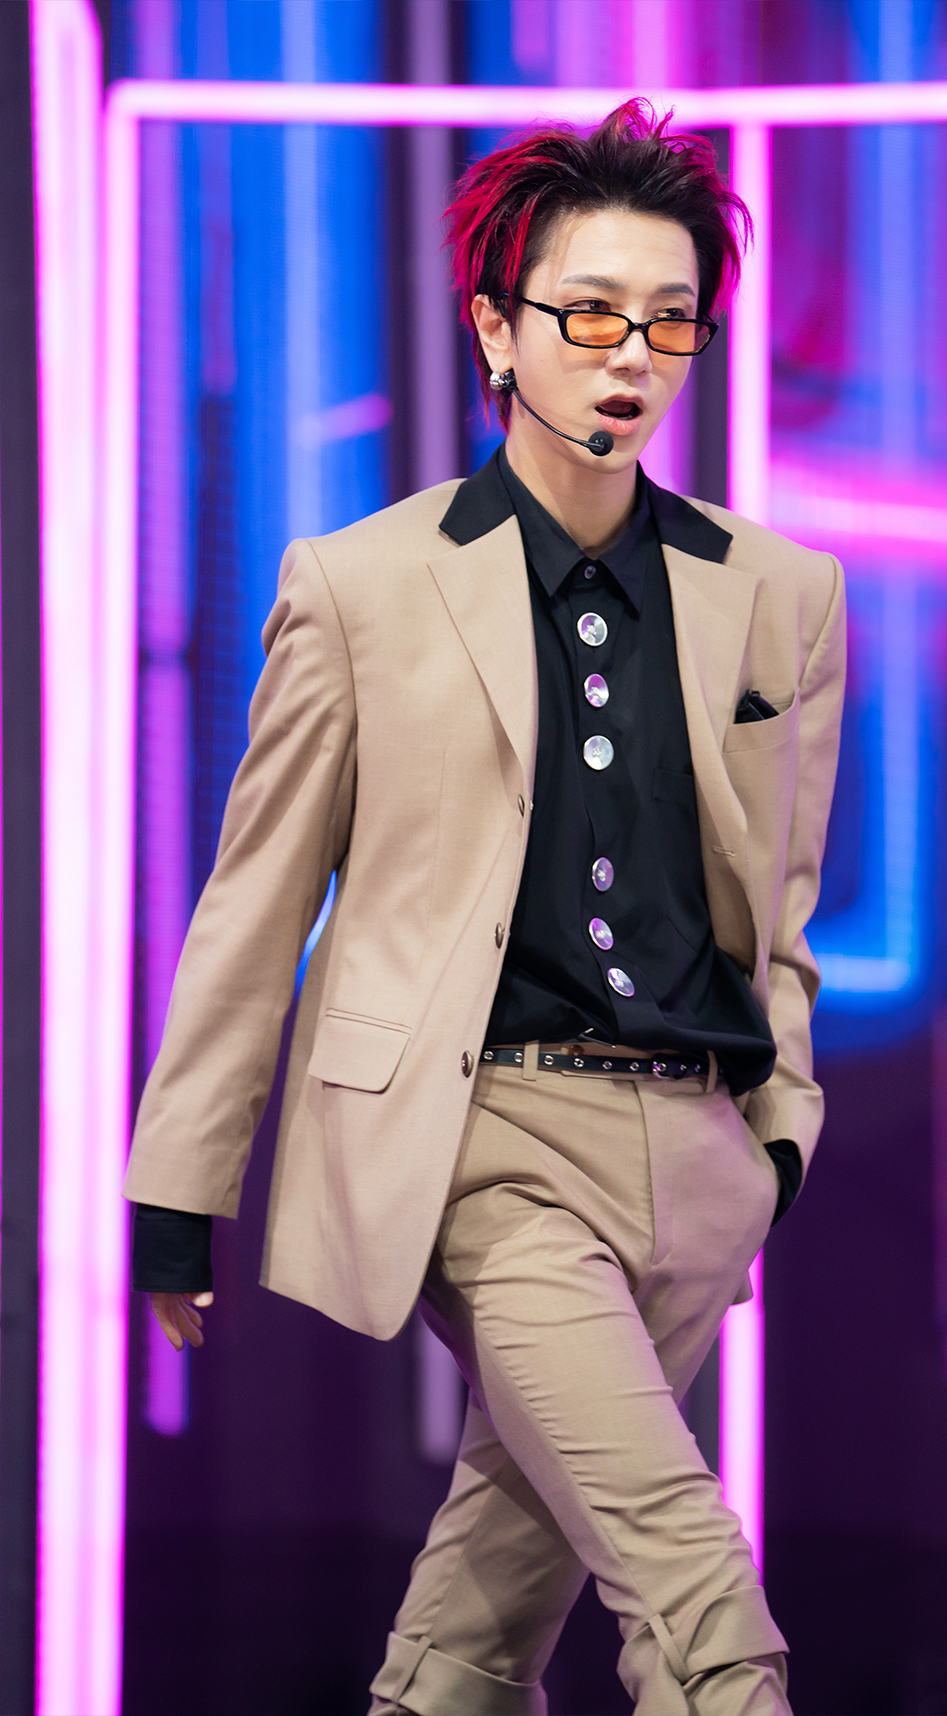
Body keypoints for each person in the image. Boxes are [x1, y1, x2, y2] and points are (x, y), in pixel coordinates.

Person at [126, 100, 845, 1716]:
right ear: (495, 329)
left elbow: (779, 908)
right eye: (588, 313)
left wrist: (779, 1140)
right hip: (488, 1145)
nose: (631, 355)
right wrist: (179, 1188)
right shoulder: (361, 585)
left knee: (479, 1619)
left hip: (703, 1156)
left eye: (669, 319)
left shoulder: (783, 595)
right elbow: (255, 905)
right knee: (697, 1598)